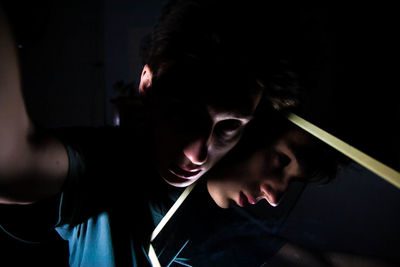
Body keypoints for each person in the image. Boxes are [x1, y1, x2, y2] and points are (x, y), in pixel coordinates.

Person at [0, 1, 301, 266]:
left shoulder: (230, 198)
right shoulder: (103, 164)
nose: (198, 153)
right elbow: (14, 165)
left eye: (229, 126)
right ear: (147, 84)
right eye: (185, 115)